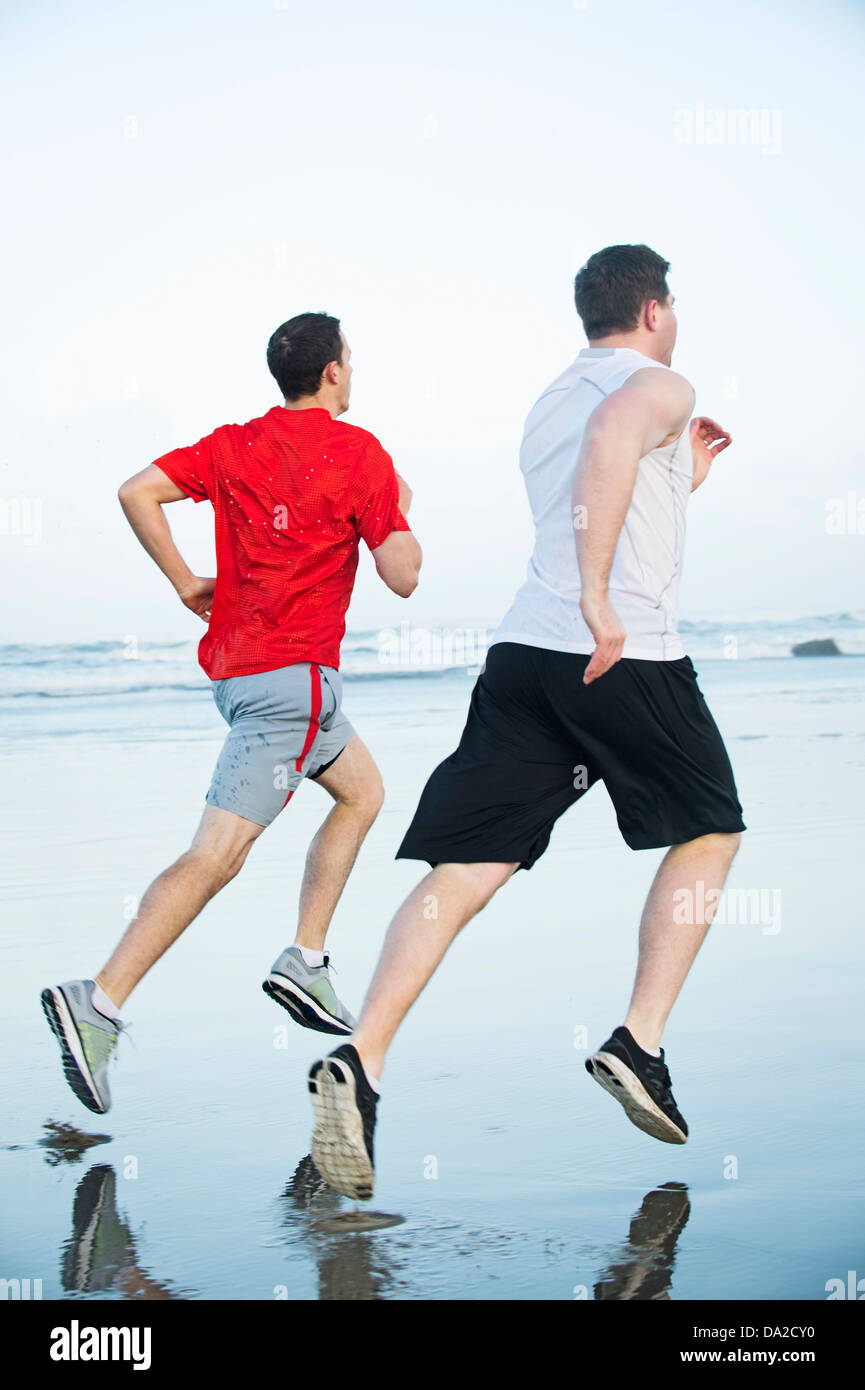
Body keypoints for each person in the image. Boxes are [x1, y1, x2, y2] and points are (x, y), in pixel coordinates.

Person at [306, 246, 745, 1200]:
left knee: (466, 870)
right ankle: (639, 1039)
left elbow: (597, 488)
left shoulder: (550, 399)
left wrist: (681, 477)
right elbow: (612, 447)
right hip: (617, 654)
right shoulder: (657, 381)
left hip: (522, 660)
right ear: (655, 310)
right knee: (710, 831)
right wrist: (599, 599)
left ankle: (363, 1058)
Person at [42, 312, 422, 1115]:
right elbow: (403, 577)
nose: (350, 374)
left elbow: (135, 491)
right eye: (348, 362)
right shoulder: (360, 454)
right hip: (295, 685)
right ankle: (99, 1000)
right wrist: (398, 511)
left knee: (363, 793)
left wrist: (186, 582)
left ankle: (305, 959)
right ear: (331, 373)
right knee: (217, 856)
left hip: (251, 680)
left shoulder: (232, 444)